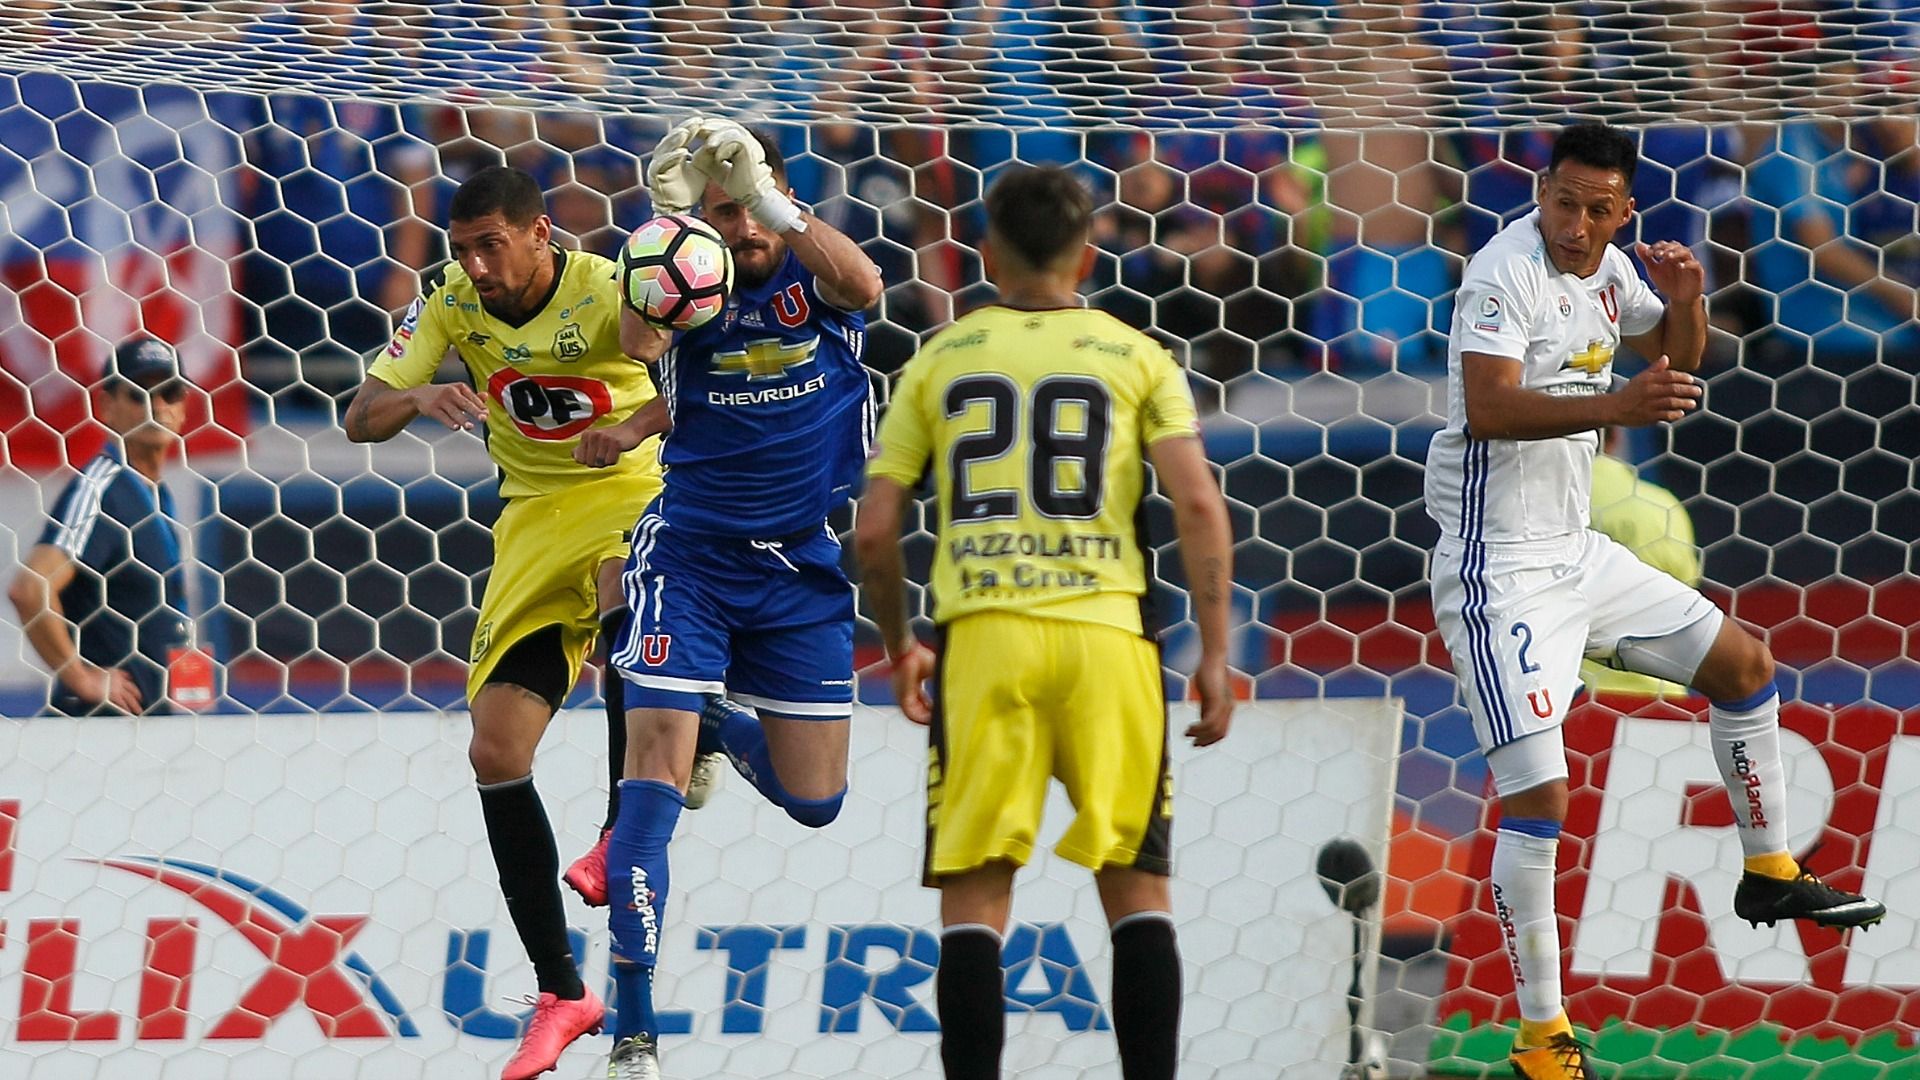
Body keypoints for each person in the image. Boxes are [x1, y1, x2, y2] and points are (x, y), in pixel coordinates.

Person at [1422, 122, 1885, 1080]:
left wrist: (1687, 300)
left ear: (1624, 209)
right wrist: (1616, 408)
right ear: (1541, 193)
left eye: (1600, 210)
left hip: (1576, 550)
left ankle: (1768, 873)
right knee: (1539, 797)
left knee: (1746, 665)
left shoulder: (1610, 266)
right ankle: (1542, 1041)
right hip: (1495, 568)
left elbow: (1679, 358)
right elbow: (1491, 408)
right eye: (1565, 203)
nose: (1579, 225)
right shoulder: (1501, 275)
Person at [855, 164, 1235, 1080]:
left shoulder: (940, 357)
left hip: (985, 640)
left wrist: (904, 643)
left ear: (985, 249)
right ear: (1087, 249)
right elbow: (1197, 507)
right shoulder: (1137, 355)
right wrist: (1214, 653)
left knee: (977, 897)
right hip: (1111, 640)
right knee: (1137, 889)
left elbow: (872, 530)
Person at [570, 117, 882, 1079]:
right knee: (648, 798)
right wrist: (665, 224)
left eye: (749, 209)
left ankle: (711, 721)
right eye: (720, 214)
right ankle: (634, 1036)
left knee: (816, 800)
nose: (738, 230)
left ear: (778, 202)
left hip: (800, 568)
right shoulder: (690, 286)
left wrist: (775, 205)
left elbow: (868, 285)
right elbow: (636, 338)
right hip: (691, 562)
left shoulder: (815, 279)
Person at [341, 165, 665, 1080]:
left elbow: (692, 390)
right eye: (464, 249)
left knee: (621, 610)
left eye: (492, 245)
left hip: (626, 497)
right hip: (530, 517)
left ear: (541, 234)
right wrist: (418, 398)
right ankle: (563, 992)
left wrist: (637, 429)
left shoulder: (612, 292)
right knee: (496, 753)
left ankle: (619, 832)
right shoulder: (449, 300)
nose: (477, 266)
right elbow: (359, 413)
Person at [8, 338, 195, 717]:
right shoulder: (102, 487)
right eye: (139, 394)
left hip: (147, 726)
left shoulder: (155, 493)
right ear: (107, 406)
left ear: (184, 406)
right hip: (102, 730)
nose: (157, 405)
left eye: (169, 392)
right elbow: (30, 588)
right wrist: (81, 678)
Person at [1579, 428, 1697, 699]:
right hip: (1657, 690)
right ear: (1616, 436)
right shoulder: (1662, 506)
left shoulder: (1534, 511)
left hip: (1559, 697)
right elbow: (1687, 597)